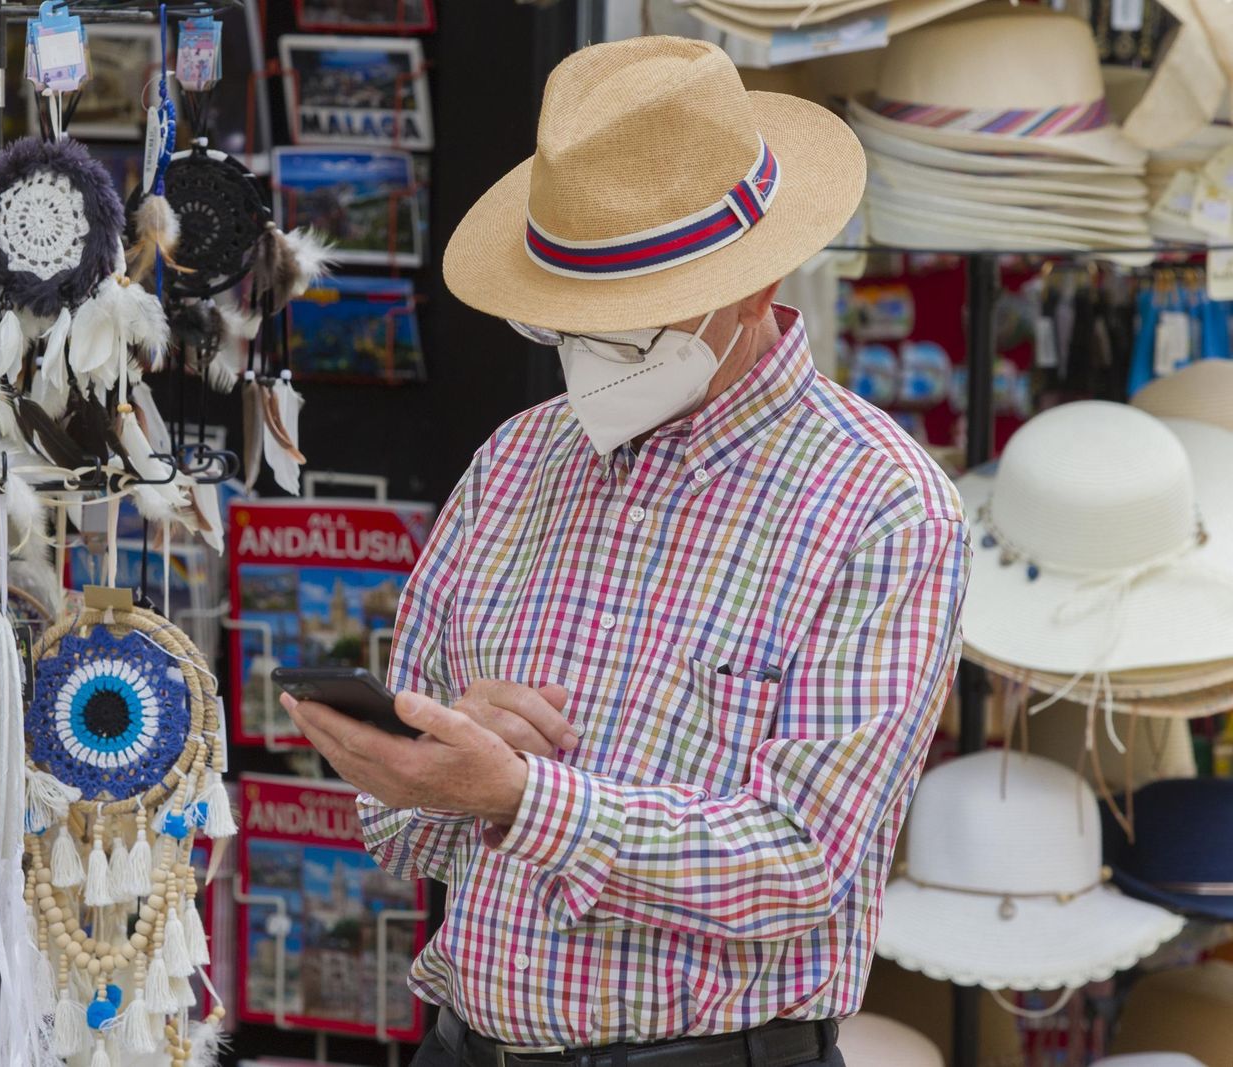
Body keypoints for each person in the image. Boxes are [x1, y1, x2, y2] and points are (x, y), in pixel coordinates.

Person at [280, 36, 970, 1067]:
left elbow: (799, 861)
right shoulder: (517, 461)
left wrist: (521, 796)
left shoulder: (882, 506)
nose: (591, 358)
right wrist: (437, 758)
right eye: (565, 324)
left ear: (755, 286)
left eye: (630, 327)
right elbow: (394, 826)